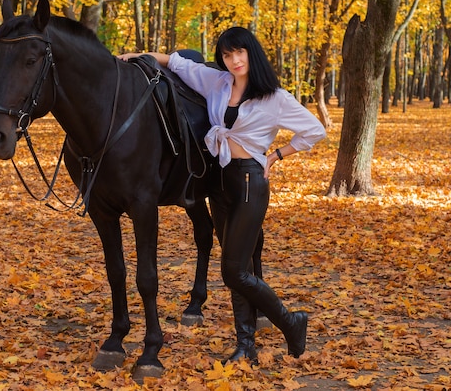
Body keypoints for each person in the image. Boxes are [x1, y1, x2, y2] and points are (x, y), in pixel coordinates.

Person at [118, 26, 326, 365]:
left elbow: (315, 130)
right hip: (220, 181)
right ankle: (246, 346)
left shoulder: (274, 97)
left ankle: (291, 321)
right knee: (238, 266)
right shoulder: (219, 83)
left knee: (233, 271)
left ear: (251, 53)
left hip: (249, 183)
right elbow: (179, 64)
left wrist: (276, 156)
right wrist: (139, 57)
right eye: (227, 55)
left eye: (239, 53)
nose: (234, 60)